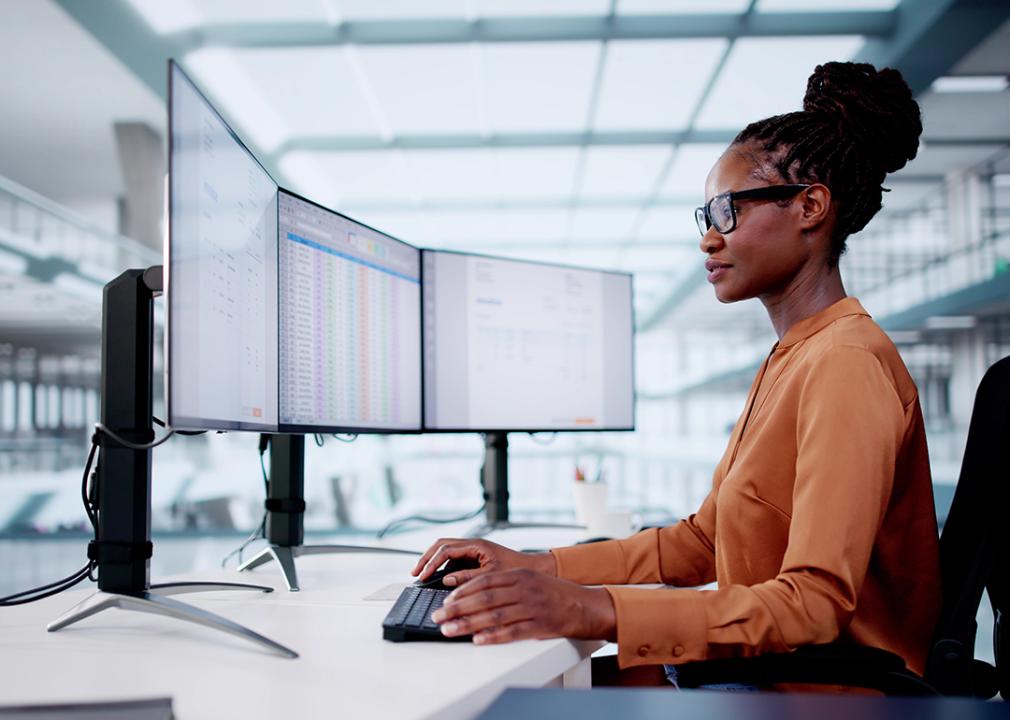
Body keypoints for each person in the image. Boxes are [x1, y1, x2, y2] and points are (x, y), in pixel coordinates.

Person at [413, 61, 942, 687]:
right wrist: (541, 566)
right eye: (706, 217)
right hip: (764, 673)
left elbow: (815, 604)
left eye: (726, 212)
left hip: (821, 691)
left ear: (810, 206)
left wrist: (590, 607)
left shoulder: (846, 365)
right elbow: (700, 542)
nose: (708, 240)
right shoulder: (795, 356)